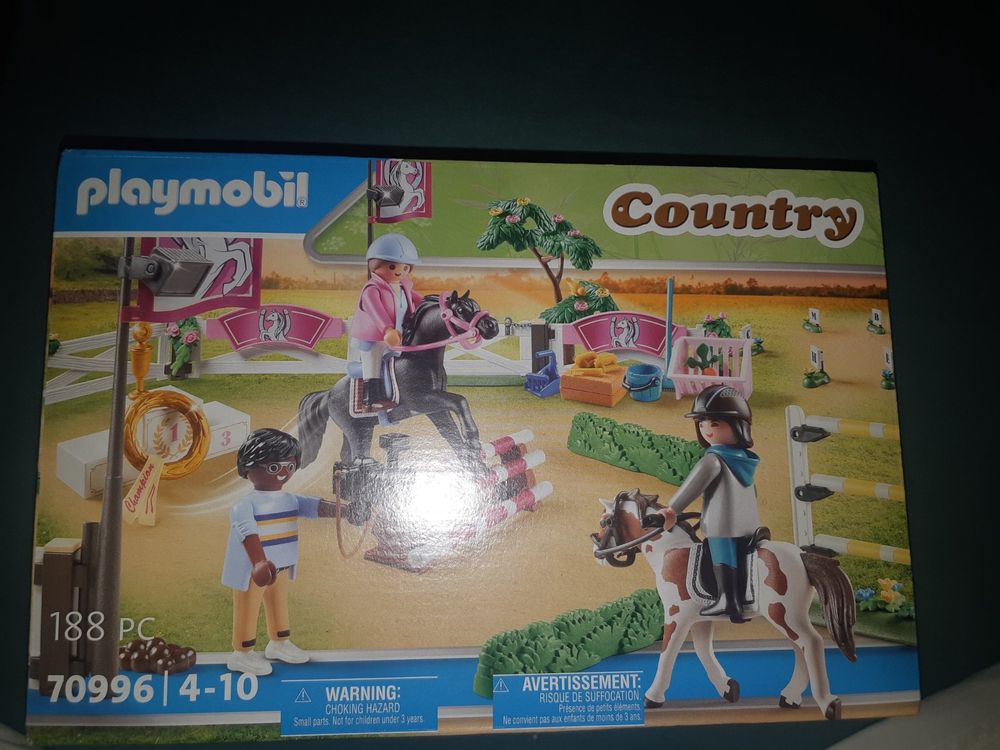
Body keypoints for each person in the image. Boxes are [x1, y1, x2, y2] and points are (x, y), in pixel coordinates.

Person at [222, 428, 341, 675]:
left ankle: (279, 642)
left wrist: (346, 511)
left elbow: (315, 507)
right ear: (249, 467)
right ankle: (241, 653)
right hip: (253, 571)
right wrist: (258, 562)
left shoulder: (290, 499)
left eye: (289, 466)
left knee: (278, 603)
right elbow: (247, 532)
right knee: (248, 606)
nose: (283, 473)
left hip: (281, 565)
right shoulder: (245, 505)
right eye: (274, 467)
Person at [652, 385, 761, 622]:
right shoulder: (745, 459)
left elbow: (691, 488)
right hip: (749, 523)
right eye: (702, 424)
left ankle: (727, 599)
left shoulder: (713, 460)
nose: (706, 430)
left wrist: (671, 509)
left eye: (715, 424)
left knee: (720, 548)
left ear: (738, 426)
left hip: (723, 523)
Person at [350, 233, 423, 409]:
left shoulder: (403, 287)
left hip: (400, 337)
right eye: (392, 266)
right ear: (375, 265)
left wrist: (436, 305)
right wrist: (387, 329)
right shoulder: (372, 289)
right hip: (375, 337)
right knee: (373, 360)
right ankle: (370, 399)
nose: (399, 271)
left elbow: (421, 301)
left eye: (405, 267)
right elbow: (376, 310)